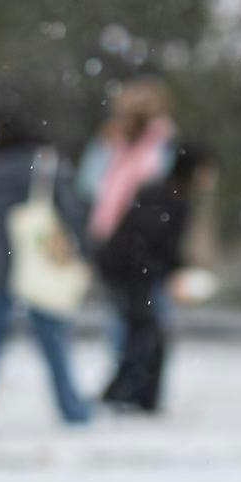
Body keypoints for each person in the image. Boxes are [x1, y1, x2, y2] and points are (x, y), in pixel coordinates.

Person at [0, 99, 91, 431]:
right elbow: (72, 217)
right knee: (53, 339)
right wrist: (80, 254)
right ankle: (72, 408)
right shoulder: (48, 169)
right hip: (38, 265)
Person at [96, 147, 209, 415]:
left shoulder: (169, 197)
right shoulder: (166, 198)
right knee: (145, 335)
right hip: (133, 275)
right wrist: (167, 272)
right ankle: (127, 395)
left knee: (146, 336)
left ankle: (137, 397)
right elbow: (144, 243)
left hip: (138, 275)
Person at [78, 78, 179, 354]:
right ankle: (126, 377)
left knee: (149, 314)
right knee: (125, 315)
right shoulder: (111, 143)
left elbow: (166, 191)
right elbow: (88, 183)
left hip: (149, 239)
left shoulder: (165, 144)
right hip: (117, 242)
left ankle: (143, 380)